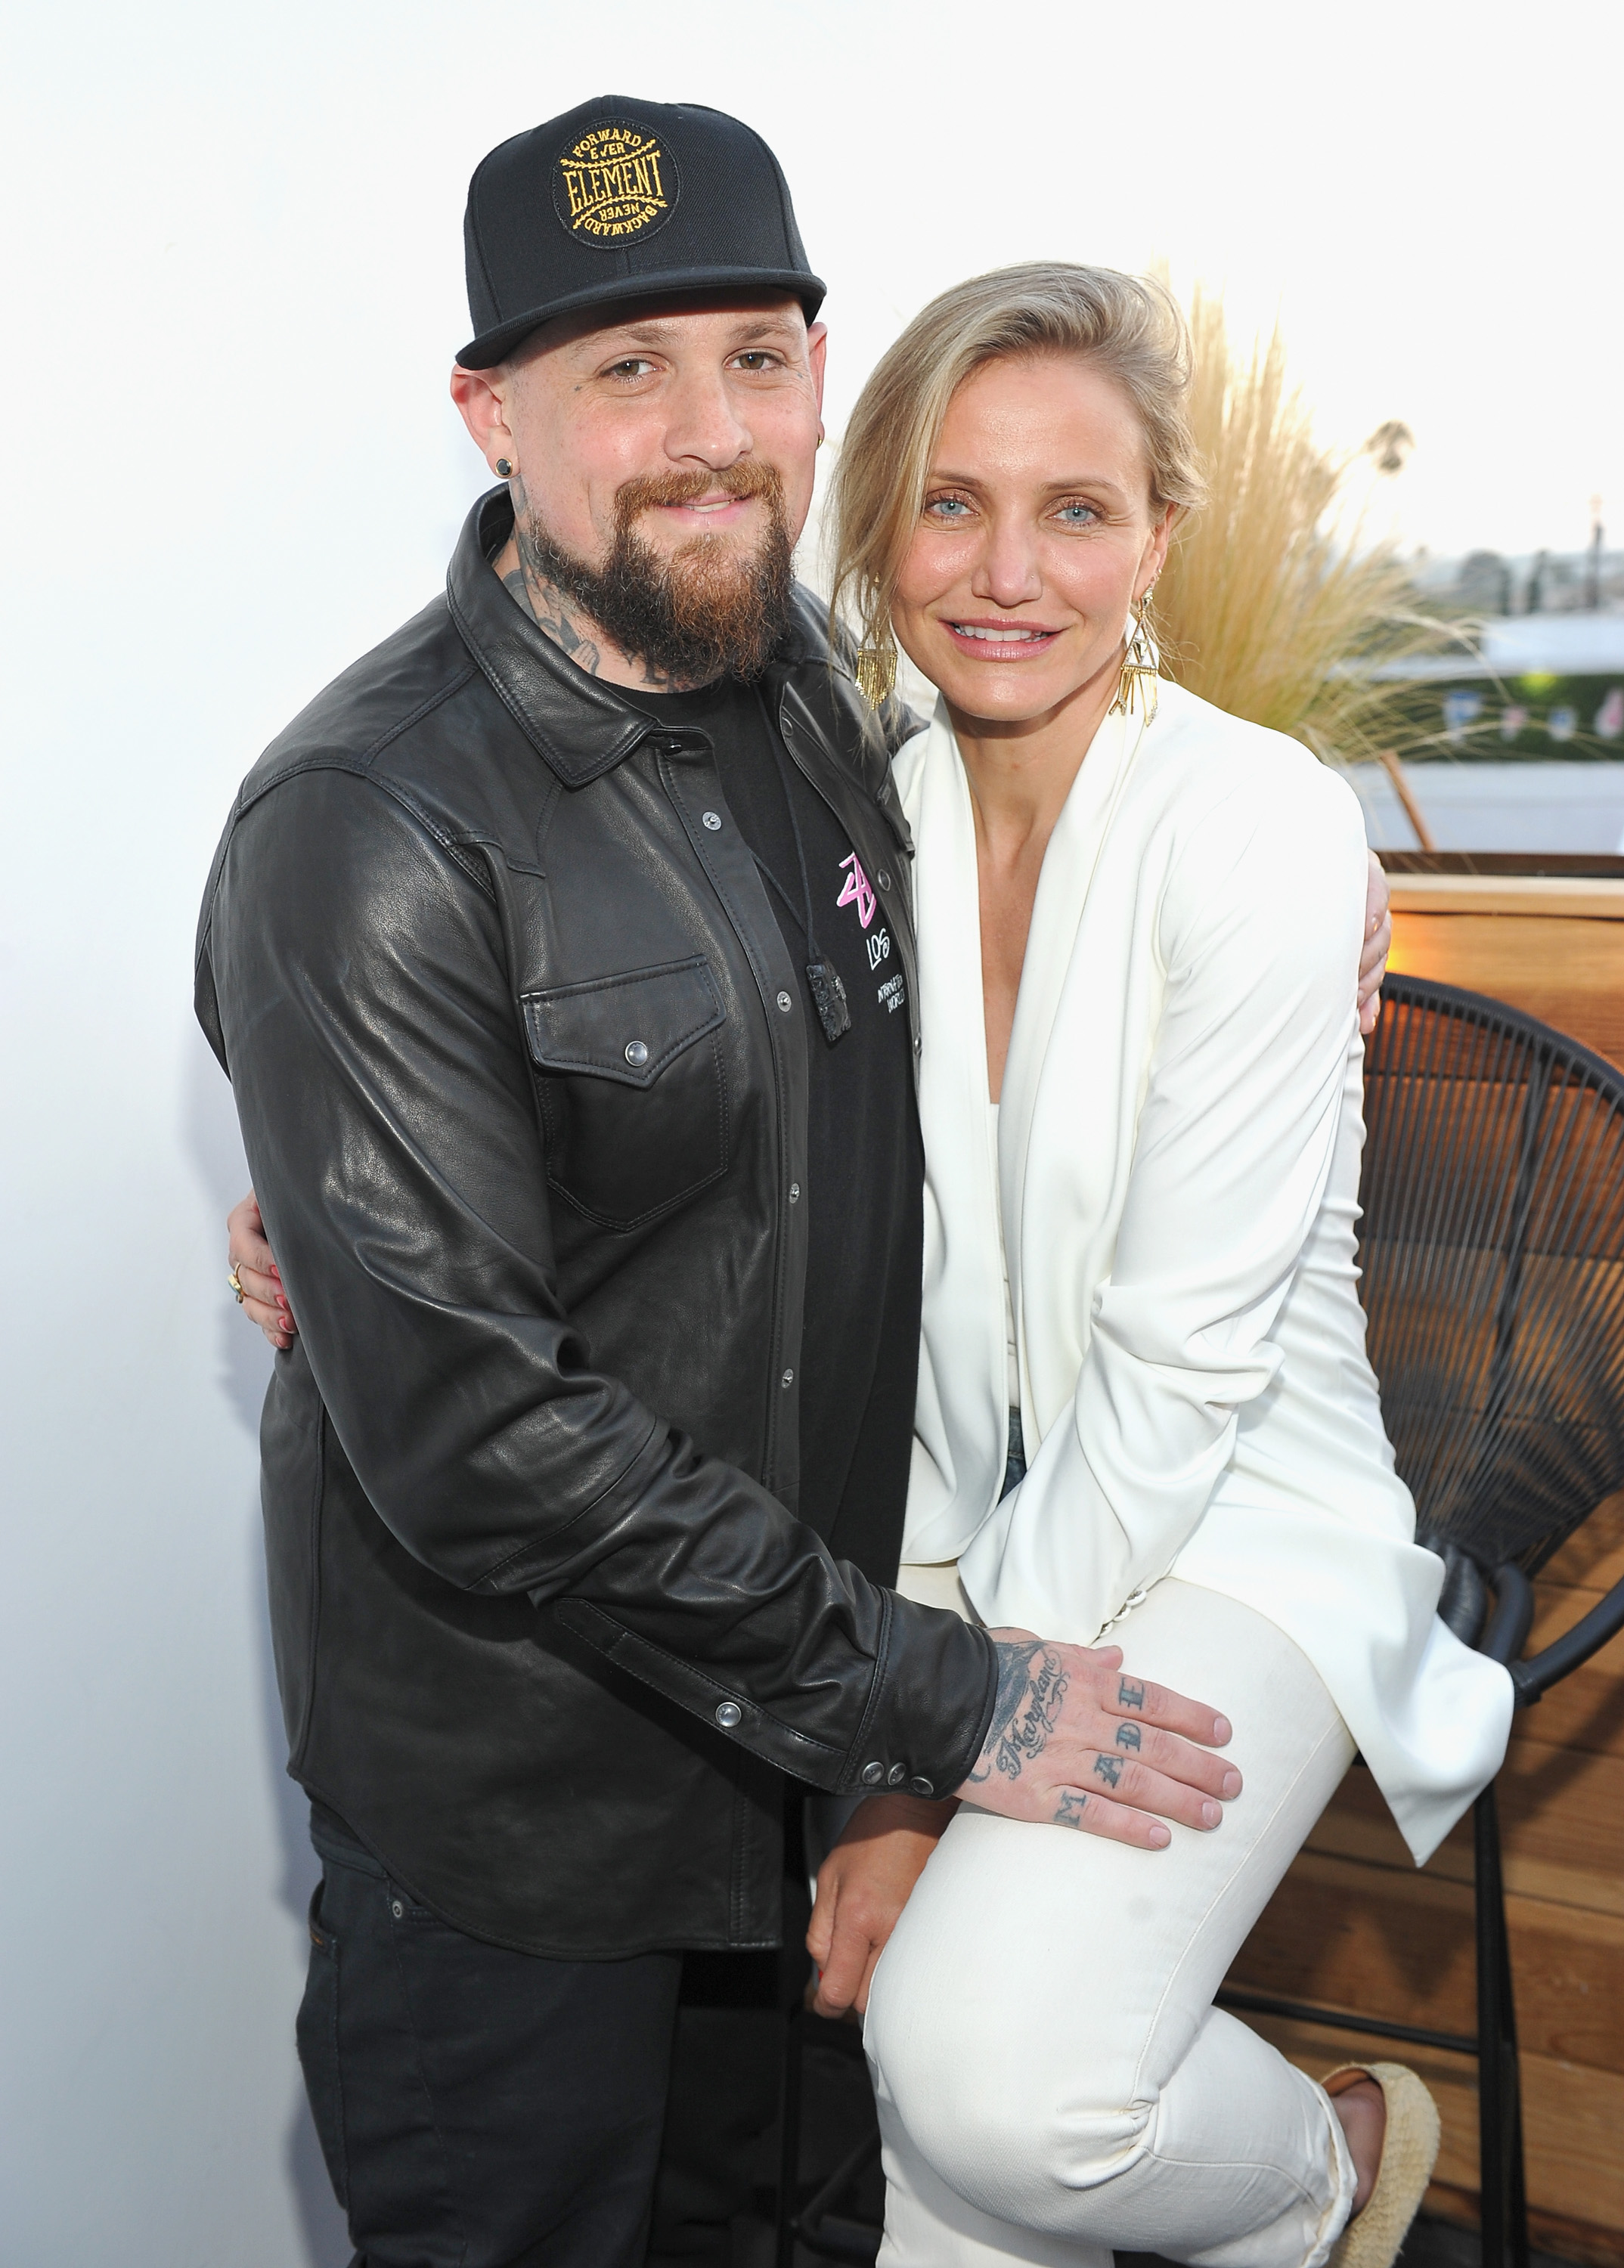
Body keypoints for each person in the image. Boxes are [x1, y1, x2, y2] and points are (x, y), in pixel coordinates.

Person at [201, 103, 1306, 2268]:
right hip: (536, 1836)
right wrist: (947, 1705)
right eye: (626, 370)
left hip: (803, 1778)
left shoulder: (808, 685)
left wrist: (1274, 912)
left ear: (818, 371)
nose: (711, 435)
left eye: (755, 356)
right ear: (488, 410)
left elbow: (1030, 866)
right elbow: (484, 1443)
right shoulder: (366, 823)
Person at [791, 264, 1512, 2268]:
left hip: (1238, 1528)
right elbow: (874, 1311)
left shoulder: (1256, 831)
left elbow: (1180, 1377)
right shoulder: (864, 826)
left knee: (992, 2080)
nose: (1006, 571)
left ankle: (1319, 2173)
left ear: (1156, 537)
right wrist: (898, 1730)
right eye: (950, 503)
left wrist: (934, 1747)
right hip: (980, 1538)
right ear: (878, 527)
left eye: (1074, 510)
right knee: (935, 2099)